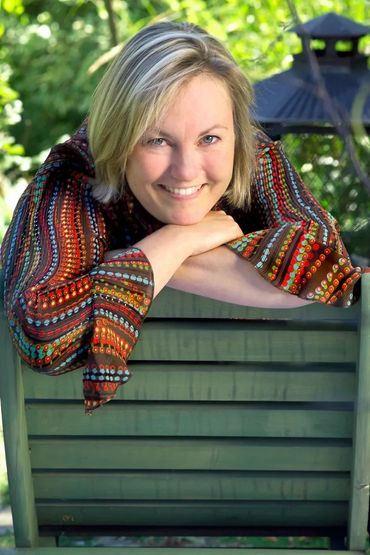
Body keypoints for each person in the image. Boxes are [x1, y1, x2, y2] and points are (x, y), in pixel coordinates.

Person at [0, 21, 364, 413]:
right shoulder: (75, 176)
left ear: (237, 133)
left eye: (209, 138)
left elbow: (328, 266)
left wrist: (137, 263)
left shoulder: (253, 155)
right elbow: (44, 334)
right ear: (117, 139)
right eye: (157, 140)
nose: (187, 171)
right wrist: (174, 242)